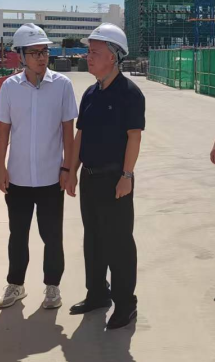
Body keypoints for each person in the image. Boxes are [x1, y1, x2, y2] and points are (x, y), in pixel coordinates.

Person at [0, 23, 78, 310]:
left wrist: (68, 169)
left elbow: (68, 131)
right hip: (18, 177)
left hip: (51, 177)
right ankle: (16, 285)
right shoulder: (10, 87)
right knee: (18, 235)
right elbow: (2, 128)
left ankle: (52, 287)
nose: (42, 57)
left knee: (52, 236)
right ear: (21, 56)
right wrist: (1, 167)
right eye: (35, 53)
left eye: (45, 51)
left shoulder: (62, 85)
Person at [66, 23, 145, 330]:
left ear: (113, 56)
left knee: (119, 243)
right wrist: (71, 171)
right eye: (88, 51)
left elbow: (134, 137)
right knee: (94, 239)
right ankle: (98, 293)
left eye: (95, 52)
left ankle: (126, 304)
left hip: (115, 180)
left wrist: (127, 175)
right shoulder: (90, 93)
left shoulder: (129, 93)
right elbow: (80, 135)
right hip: (90, 178)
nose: (88, 57)